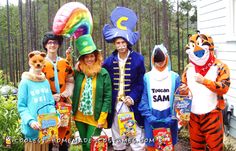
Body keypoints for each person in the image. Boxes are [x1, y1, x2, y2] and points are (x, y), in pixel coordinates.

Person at [103, 6, 146, 151]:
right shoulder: (109, 61)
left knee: (136, 135)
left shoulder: (138, 59)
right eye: (118, 43)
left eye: (123, 42)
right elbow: (101, 76)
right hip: (115, 104)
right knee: (117, 135)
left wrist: (132, 97)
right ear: (114, 44)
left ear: (127, 42)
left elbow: (140, 83)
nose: (121, 46)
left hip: (130, 104)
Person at [179, 33, 230, 151]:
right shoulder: (188, 68)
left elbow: (224, 87)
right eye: (194, 52)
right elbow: (183, 87)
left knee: (215, 148)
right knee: (196, 148)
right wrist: (183, 90)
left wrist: (204, 81)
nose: (197, 55)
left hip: (212, 115)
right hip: (193, 116)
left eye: (200, 52)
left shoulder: (220, 67)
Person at [72, 34, 112, 151]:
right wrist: (69, 57)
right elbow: (67, 76)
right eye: (86, 57)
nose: (89, 59)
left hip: (96, 117)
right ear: (82, 59)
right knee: (84, 145)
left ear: (96, 57)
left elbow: (107, 97)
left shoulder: (103, 73)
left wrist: (102, 118)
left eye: (92, 56)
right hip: (79, 116)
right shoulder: (79, 72)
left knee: (92, 144)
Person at [138, 44, 180, 151]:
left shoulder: (174, 77)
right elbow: (143, 99)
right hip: (151, 117)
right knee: (151, 147)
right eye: (157, 60)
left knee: (168, 147)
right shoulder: (147, 77)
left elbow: (179, 100)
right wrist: (149, 116)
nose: (160, 63)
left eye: (162, 60)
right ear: (153, 60)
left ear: (166, 58)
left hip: (169, 116)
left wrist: (173, 116)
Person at [18, 51, 57, 151]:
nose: (38, 64)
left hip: (46, 129)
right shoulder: (25, 82)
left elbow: (50, 103)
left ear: (44, 62)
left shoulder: (45, 81)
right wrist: (30, 121)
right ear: (30, 62)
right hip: (32, 131)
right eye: (34, 61)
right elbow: (22, 106)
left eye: (40, 61)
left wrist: (55, 116)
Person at [42, 31, 74, 151]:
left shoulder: (64, 63)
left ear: (59, 45)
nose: (52, 45)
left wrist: (68, 91)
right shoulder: (41, 63)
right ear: (45, 45)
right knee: (48, 135)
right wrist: (50, 96)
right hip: (46, 104)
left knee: (63, 134)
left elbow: (70, 80)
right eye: (49, 42)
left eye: (55, 42)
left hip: (63, 104)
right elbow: (35, 84)